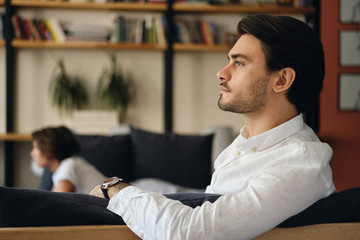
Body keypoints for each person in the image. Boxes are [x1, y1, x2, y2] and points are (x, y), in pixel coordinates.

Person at [90, 15, 336, 239]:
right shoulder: (242, 147)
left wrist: (117, 189)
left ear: (281, 80)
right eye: (229, 61)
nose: (221, 73)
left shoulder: (300, 164)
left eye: (239, 63)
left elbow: (188, 233)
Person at [31, 126, 106, 194]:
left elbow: (57, 205)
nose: (32, 153)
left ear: (49, 149)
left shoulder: (68, 166)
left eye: (36, 148)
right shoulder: (67, 165)